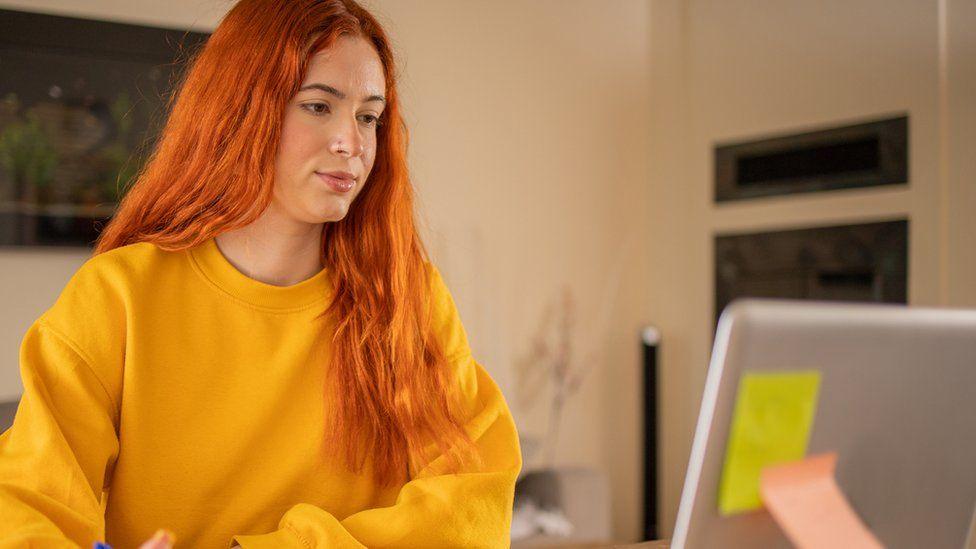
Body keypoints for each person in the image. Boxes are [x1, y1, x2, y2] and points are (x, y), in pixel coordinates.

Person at [0, 0, 523, 547]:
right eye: (319, 106)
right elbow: (28, 504)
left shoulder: (409, 299)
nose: (353, 142)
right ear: (240, 110)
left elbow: (474, 504)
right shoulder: (118, 296)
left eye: (369, 116)